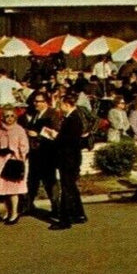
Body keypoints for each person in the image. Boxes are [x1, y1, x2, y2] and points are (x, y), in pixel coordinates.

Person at [49, 93, 87, 230]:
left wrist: (55, 137)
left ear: (66, 104)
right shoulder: (74, 117)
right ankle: (78, 214)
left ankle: (64, 220)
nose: (60, 107)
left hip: (68, 158)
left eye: (61, 104)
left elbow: (69, 140)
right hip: (71, 158)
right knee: (71, 187)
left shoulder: (73, 119)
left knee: (66, 188)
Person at [24, 92, 61, 218]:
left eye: (38, 101)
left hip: (47, 154)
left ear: (45, 102)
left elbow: (55, 133)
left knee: (49, 182)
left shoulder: (52, 114)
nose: (35, 104)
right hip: (35, 153)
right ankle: (28, 205)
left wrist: (38, 135)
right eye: (35, 101)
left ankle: (56, 208)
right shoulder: (35, 114)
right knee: (32, 180)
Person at [0, 106, 29, 225]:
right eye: (7, 116)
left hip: (14, 162)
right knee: (4, 191)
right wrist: (0, 150)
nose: (10, 118)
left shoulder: (19, 130)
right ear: (3, 117)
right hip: (2, 163)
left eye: (12, 116)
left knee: (13, 191)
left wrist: (16, 154)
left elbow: (25, 147)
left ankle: (15, 213)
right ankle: (8, 211)